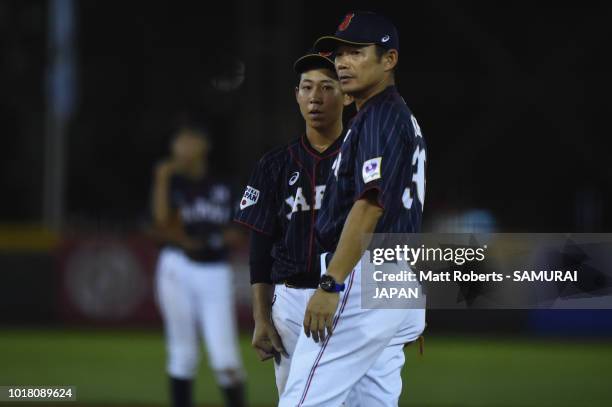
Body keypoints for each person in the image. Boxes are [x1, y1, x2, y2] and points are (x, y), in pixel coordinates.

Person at [279, 12, 427, 406]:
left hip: (365, 275)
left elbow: (370, 205)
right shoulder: (398, 117)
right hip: (395, 276)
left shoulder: (379, 116)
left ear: (389, 60)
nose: (342, 63)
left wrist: (331, 283)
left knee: (302, 400)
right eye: (339, 54)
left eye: (357, 53)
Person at [233, 51, 351, 396]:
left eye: (327, 87)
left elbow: (391, 233)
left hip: (350, 299)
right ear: (296, 94)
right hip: (291, 302)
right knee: (294, 400)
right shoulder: (274, 165)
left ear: (346, 94)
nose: (315, 97)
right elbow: (260, 246)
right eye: (307, 87)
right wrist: (260, 318)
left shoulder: (363, 158)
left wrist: (399, 312)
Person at [151, 126, 247, 407]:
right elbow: (159, 225)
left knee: (225, 358)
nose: (180, 149)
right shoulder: (173, 183)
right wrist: (161, 179)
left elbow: (241, 229)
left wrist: (212, 238)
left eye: (187, 142)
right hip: (176, 267)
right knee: (182, 354)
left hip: (215, 271)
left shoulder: (225, 183)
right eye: (177, 143)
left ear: (203, 146)